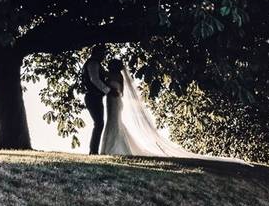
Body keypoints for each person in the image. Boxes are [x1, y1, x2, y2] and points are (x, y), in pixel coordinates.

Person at [98, 58, 246, 163]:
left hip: (115, 101)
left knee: (114, 122)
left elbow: (119, 90)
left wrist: (109, 87)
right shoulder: (112, 75)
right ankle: (110, 147)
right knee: (113, 122)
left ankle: (115, 147)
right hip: (111, 101)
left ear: (114, 67)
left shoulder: (115, 75)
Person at [80, 44, 110, 155]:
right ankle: (93, 150)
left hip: (95, 96)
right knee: (99, 123)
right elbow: (94, 80)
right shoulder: (93, 63)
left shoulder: (95, 63)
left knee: (99, 123)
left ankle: (94, 150)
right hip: (93, 96)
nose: (104, 56)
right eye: (104, 53)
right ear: (98, 53)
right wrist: (108, 90)